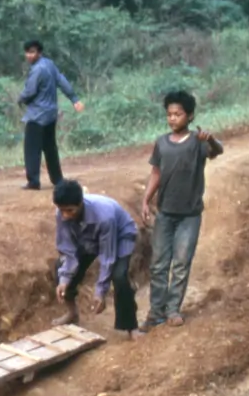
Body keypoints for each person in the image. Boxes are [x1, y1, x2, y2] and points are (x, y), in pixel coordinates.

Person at [140, 91, 224, 331]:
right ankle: (155, 312)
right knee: (158, 265)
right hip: (165, 212)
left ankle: (173, 309)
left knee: (181, 263)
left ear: (190, 116)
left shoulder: (198, 142)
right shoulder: (161, 143)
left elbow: (218, 151)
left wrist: (211, 140)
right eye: (169, 114)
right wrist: (146, 199)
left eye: (178, 114)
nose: (172, 119)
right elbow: (155, 172)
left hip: (189, 215)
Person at [52, 179, 142, 340]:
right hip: (88, 238)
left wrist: (100, 291)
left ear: (80, 204)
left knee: (119, 276)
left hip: (120, 235)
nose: (65, 216)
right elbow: (68, 250)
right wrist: (64, 280)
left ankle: (131, 326)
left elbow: (108, 256)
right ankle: (72, 313)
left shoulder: (104, 216)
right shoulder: (61, 215)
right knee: (60, 267)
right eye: (62, 210)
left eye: (70, 210)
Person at [18, 40, 84, 190]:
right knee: (50, 147)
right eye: (27, 52)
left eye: (32, 52)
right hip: (50, 114)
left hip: (36, 115)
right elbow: (62, 81)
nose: (29, 55)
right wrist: (74, 98)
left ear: (39, 53)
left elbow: (30, 91)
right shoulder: (50, 64)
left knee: (32, 148)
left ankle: (33, 181)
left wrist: (21, 99)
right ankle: (58, 179)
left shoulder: (36, 70)